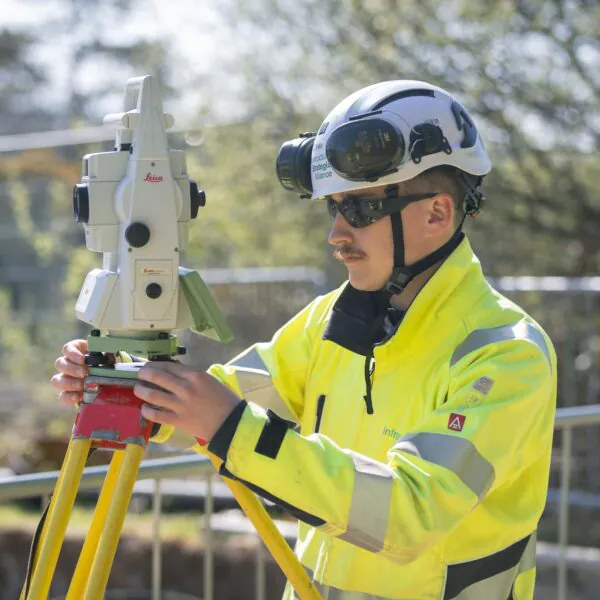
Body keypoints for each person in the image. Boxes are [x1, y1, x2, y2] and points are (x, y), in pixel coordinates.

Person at [52, 80, 557, 600]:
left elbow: (411, 513)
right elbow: (227, 397)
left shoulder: (506, 352)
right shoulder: (333, 319)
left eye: (359, 209)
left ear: (437, 213)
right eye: (332, 208)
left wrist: (229, 426)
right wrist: (134, 381)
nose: (337, 233)